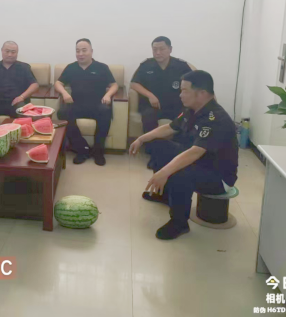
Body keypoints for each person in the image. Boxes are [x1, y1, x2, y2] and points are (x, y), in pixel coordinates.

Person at [129, 70, 238, 240]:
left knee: (179, 172)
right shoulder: (192, 110)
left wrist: (164, 172)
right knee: (158, 144)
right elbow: (170, 128)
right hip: (201, 161)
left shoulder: (215, 119)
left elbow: (195, 152)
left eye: (185, 91)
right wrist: (141, 139)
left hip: (218, 175)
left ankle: (179, 223)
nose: (180, 95)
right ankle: (165, 195)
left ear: (202, 93)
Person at [131, 37, 194, 168]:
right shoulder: (146, 65)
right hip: (153, 106)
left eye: (162, 49)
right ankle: (154, 154)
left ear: (170, 49)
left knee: (186, 117)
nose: (158, 52)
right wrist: (150, 95)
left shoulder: (181, 66)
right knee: (148, 117)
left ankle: (176, 152)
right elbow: (134, 84)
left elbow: (194, 83)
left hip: (176, 105)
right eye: (155, 49)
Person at [55, 39, 118, 166]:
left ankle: (98, 151)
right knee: (62, 112)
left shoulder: (102, 67)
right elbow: (58, 83)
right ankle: (82, 148)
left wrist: (108, 94)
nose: (80, 54)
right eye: (78, 51)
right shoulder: (71, 67)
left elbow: (114, 85)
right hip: (76, 104)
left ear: (91, 51)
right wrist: (64, 93)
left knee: (106, 112)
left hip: (97, 104)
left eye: (84, 50)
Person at [0, 41, 39, 130]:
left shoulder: (24, 67)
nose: (10, 54)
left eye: (13, 52)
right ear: (2, 51)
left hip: (15, 102)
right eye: (7, 51)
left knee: (23, 110)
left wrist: (22, 97)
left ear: (17, 53)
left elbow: (35, 84)